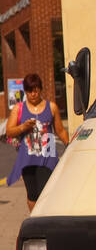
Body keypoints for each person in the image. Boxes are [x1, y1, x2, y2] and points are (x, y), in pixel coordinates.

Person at [6, 73, 68, 210]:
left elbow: (60, 130)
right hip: (27, 159)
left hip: (47, 157)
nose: (33, 94)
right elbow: (9, 131)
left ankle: (44, 219)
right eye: (29, 91)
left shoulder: (51, 107)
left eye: (35, 90)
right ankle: (35, 221)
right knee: (32, 195)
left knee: (44, 192)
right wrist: (23, 127)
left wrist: (69, 146)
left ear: (40, 89)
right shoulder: (19, 108)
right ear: (25, 91)